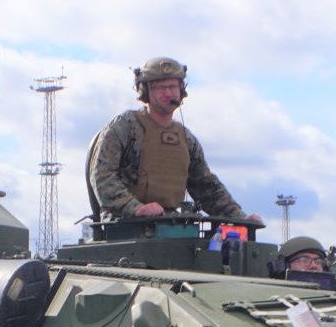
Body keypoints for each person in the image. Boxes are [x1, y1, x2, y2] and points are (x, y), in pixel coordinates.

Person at [89, 56, 257, 222]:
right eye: (160, 87)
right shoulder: (125, 127)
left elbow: (206, 187)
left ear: (181, 90)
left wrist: (240, 216)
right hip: (124, 225)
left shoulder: (186, 139)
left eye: (172, 87)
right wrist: (136, 208)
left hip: (169, 225)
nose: (168, 93)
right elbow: (102, 176)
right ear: (145, 91)